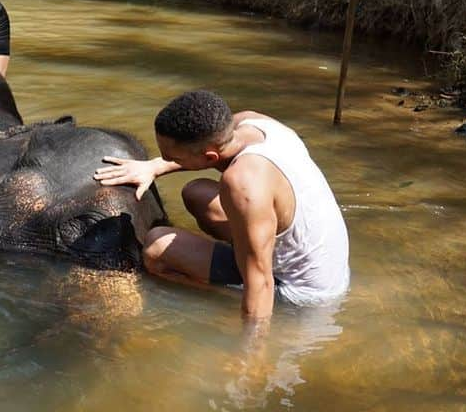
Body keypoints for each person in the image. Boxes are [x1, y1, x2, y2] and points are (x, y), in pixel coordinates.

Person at [93, 90, 349, 319]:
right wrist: (154, 166)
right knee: (197, 193)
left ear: (210, 157)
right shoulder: (255, 123)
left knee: (156, 249)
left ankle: (226, 299)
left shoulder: (243, 184)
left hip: (301, 294)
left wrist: (250, 361)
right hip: (326, 264)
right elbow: (211, 151)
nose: (166, 160)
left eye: (171, 157)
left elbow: (260, 283)